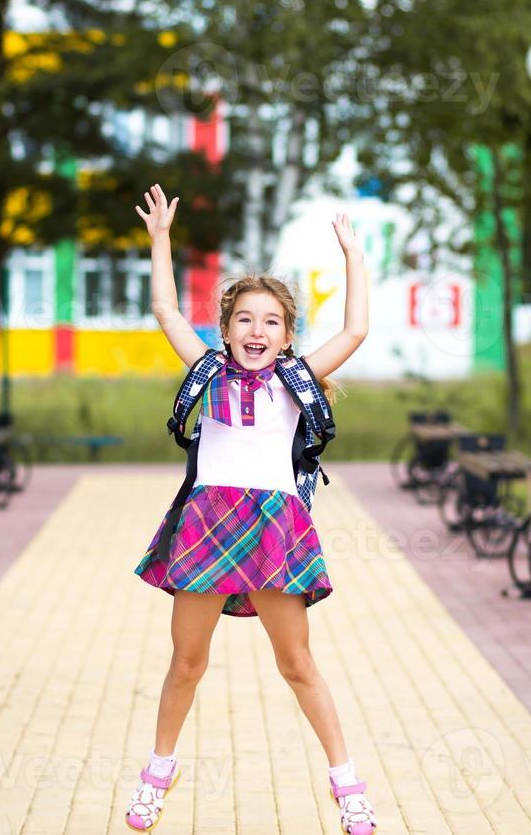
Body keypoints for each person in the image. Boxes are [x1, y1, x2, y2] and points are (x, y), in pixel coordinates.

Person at [123, 185, 375, 834]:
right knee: (186, 662)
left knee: (296, 663)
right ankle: (158, 771)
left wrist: (353, 256)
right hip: (208, 524)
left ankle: (347, 783)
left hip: (274, 527)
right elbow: (164, 309)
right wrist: (159, 239)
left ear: (287, 335)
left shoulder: (296, 381)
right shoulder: (207, 371)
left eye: (271, 322)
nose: (256, 331)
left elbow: (356, 329)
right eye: (244, 319)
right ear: (226, 328)